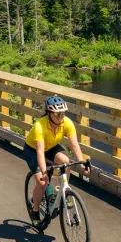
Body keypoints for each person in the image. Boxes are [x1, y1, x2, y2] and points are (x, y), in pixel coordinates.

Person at [24, 95, 88, 224]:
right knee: (42, 183)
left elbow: (74, 145)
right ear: (49, 113)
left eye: (62, 113)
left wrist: (82, 163)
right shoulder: (39, 126)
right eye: (57, 113)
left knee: (65, 161)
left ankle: (61, 190)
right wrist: (43, 173)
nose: (60, 116)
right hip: (33, 150)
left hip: (51, 146)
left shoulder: (67, 122)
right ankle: (35, 211)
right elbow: (40, 153)